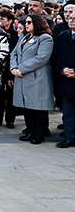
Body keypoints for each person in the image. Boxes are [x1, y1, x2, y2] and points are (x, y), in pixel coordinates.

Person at [12, 14, 55, 144]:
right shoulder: (24, 37)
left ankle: (39, 133)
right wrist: (13, 68)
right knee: (26, 106)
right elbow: (14, 53)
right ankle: (29, 130)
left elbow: (41, 58)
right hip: (22, 77)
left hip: (37, 77)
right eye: (26, 22)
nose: (27, 24)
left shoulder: (45, 38)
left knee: (38, 107)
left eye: (29, 22)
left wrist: (21, 68)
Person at [52, 14, 75, 148]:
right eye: (70, 18)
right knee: (68, 112)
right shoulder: (61, 36)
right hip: (66, 80)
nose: (71, 21)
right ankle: (69, 137)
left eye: (74, 19)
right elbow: (54, 57)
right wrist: (62, 69)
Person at [0, 9, 19, 128]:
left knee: (10, 95)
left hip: (11, 68)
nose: (0, 21)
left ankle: (10, 119)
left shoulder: (16, 33)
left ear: (10, 20)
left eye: (2, 19)